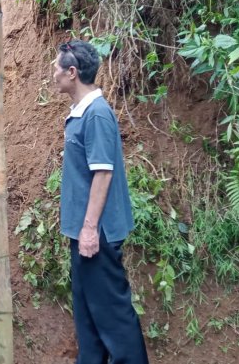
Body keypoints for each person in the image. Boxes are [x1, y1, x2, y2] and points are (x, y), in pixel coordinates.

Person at [52, 40, 148, 363]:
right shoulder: (82, 113)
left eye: (57, 67)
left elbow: (103, 174)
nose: (53, 73)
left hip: (98, 234)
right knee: (88, 317)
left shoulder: (96, 115)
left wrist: (91, 228)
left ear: (72, 72)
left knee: (114, 317)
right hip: (83, 233)